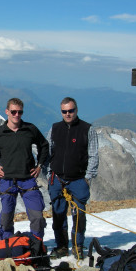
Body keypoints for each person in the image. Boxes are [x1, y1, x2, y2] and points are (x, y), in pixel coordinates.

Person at [46, 97, 99, 259]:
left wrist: (87, 178)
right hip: (57, 180)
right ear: (61, 111)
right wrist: (50, 174)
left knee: (79, 216)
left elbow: (93, 155)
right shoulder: (55, 129)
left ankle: (77, 246)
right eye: (64, 111)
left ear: (76, 110)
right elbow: (48, 152)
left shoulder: (87, 129)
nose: (68, 114)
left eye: (71, 111)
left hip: (78, 180)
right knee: (58, 213)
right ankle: (62, 246)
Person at [0, 98, 49, 240]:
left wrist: (39, 165)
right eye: (13, 111)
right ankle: (7, 245)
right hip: (7, 180)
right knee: (6, 218)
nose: (16, 115)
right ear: (7, 112)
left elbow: (44, 145)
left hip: (28, 179)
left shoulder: (30, 129)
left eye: (20, 112)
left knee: (37, 217)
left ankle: (36, 244)